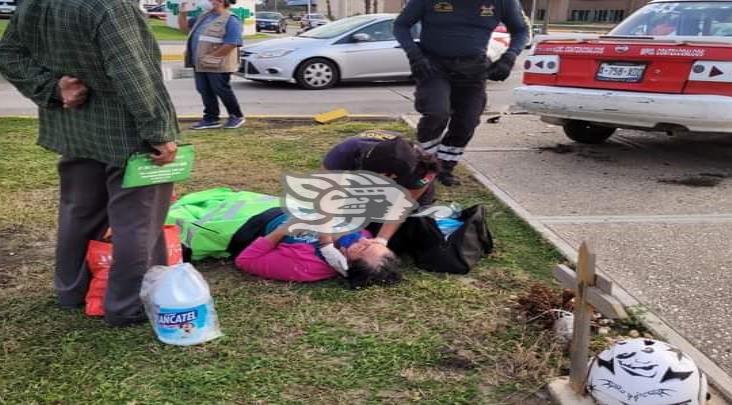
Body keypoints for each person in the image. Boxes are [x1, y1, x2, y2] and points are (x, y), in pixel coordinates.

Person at [0, 0, 179, 326]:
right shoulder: (110, 6)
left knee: (78, 214)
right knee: (137, 223)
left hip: (76, 131)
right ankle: (127, 306)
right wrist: (159, 132)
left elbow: (8, 53)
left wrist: (52, 88)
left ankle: (71, 291)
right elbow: (133, 73)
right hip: (127, 134)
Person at [394, 0, 529, 186]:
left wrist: (510, 56)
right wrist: (414, 55)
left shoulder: (503, 2)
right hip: (433, 66)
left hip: (474, 68)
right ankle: (426, 161)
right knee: (436, 112)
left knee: (467, 121)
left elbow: (521, 30)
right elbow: (401, 25)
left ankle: (445, 167)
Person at [321, 130, 440, 247]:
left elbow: (401, 207)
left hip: (408, 194)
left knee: (401, 241)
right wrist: (326, 243)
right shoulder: (347, 150)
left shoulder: (422, 171)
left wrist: (382, 240)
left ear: (391, 176)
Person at [178, 0, 245, 130]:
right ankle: (211, 118)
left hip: (217, 63)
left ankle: (236, 116)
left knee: (221, 89)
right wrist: (182, 14)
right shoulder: (203, 16)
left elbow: (232, 43)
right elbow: (185, 29)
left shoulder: (231, 20)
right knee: (204, 89)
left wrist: (212, 57)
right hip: (200, 62)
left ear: (220, 1)